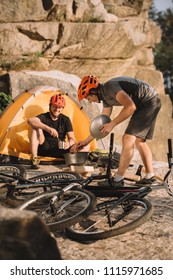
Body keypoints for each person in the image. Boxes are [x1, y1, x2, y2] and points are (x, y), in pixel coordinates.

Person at [77, 75, 161, 186]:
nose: (90, 102)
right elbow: (101, 125)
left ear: (93, 92)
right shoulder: (106, 98)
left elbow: (130, 107)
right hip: (148, 101)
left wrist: (112, 124)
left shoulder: (110, 87)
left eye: (88, 98)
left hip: (148, 102)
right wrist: (86, 141)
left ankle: (118, 179)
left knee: (127, 138)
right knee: (140, 141)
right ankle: (150, 176)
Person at [28, 93, 78, 169]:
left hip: (60, 148)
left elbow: (72, 139)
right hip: (44, 147)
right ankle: (34, 159)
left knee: (81, 146)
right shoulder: (44, 116)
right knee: (35, 128)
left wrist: (68, 143)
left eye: (60, 107)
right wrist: (48, 128)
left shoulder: (65, 119)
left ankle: (75, 163)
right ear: (50, 106)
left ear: (62, 108)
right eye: (55, 106)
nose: (57, 109)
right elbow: (30, 120)